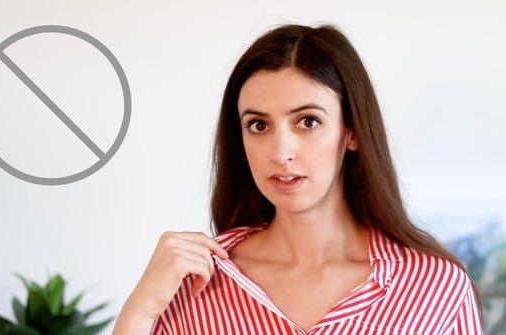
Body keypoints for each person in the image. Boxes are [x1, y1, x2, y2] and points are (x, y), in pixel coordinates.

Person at [113, 24, 483, 334]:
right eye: (258, 125)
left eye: (308, 122)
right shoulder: (193, 282)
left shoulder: (435, 290)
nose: (280, 152)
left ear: (352, 131)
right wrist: (138, 315)